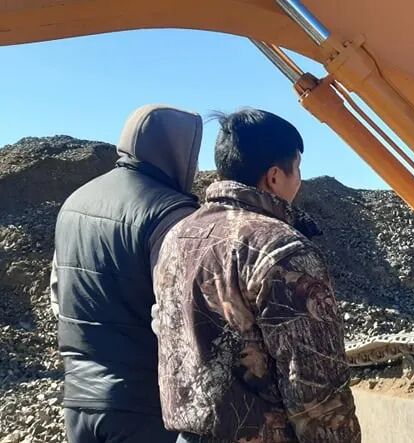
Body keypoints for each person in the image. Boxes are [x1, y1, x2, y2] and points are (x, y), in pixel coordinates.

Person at [153, 108, 361, 442]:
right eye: (297, 169)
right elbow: (314, 382)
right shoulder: (282, 249)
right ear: (274, 176)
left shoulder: (178, 238)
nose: (299, 181)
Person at [50, 104, 202, 442]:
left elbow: (58, 297)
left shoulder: (74, 202)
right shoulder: (171, 213)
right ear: (180, 150)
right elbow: (181, 319)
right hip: (144, 405)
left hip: (78, 398)